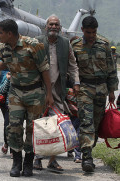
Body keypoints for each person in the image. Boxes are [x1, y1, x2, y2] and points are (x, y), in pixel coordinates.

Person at [0, 19, 54, 177]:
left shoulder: (33, 45)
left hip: (35, 93)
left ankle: (28, 162)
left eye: (0, 32)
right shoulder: (3, 48)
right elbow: (7, 64)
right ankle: (16, 162)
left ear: (9, 33)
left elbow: (45, 70)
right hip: (15, 93)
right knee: (14, 127)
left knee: (32, 129)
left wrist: (49, 94)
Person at [71, 16, 119, 173]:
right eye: (88, 32)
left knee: (96, 123)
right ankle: (87, 157)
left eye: (93, 32)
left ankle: (89, 151)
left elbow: (111, 69)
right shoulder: (76, 45)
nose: (91, 35)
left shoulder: (104, 45)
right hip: (84, 88)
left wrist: (112, 91)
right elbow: (72, 68)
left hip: (101, 89)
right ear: (83, 30)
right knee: (86, 122)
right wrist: (73, 86)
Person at [33, 14, 80, 172]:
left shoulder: (66, 44)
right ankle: (37, 158)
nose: (53, 27)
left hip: (58, 92)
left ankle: (52, 160)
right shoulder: (38, 42)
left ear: (60, 28)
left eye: (56, 25)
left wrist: (76, 82)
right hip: (39, 91)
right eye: (51, 24)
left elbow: (73, 65)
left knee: (57, 126)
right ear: (46, 27)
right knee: (40, 124)